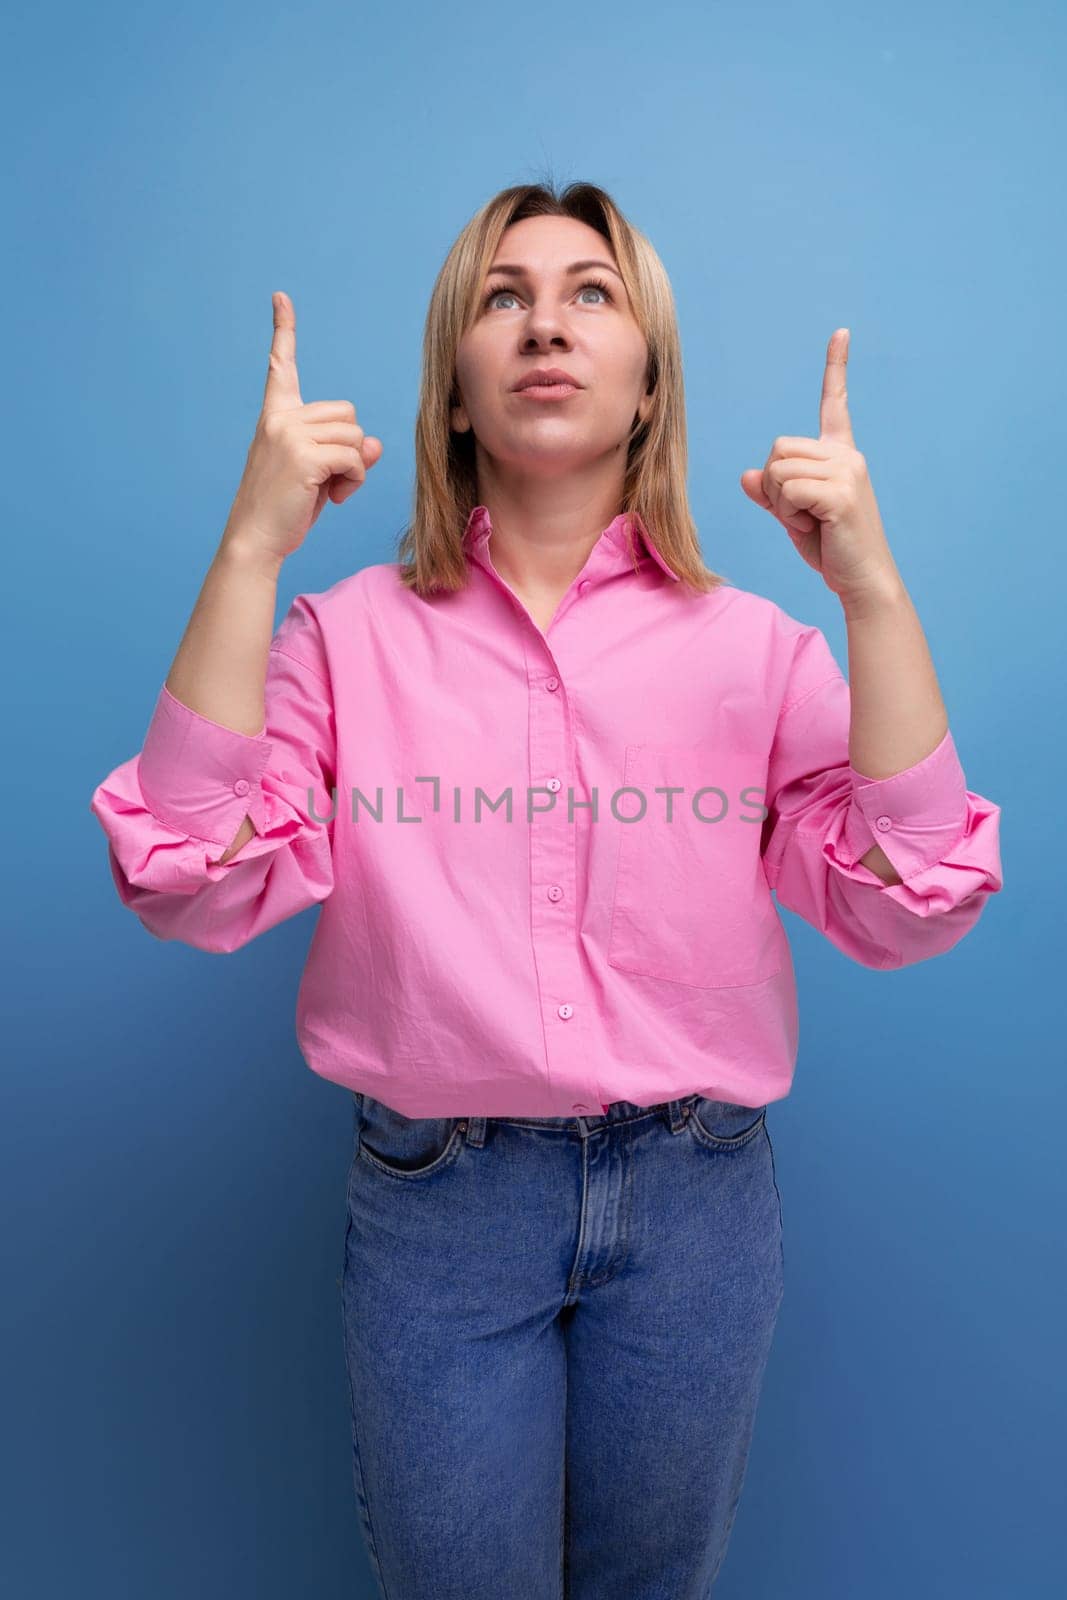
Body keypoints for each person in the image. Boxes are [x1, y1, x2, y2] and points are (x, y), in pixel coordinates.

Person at [89, 181, 1003, 1599]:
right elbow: (184, 875)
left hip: (698, 1204)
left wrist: (871, 593)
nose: (545, 326)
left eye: (592, 294)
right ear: (455, 386)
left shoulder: (758, 647)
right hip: (439, 1205)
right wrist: (255, 547)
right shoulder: (344, 642)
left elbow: (915, 897)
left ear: (650, 387)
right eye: (504, 298)